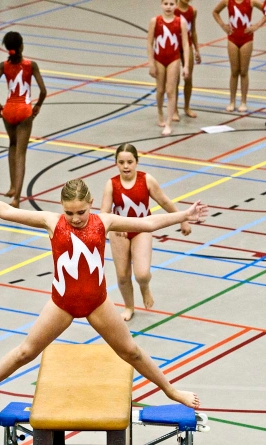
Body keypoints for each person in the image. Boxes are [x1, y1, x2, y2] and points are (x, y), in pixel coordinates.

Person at [0, 179, 208, 415]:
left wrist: (185, 214)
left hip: (97, 303)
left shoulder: (104, 221)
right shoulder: (52, 222)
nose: (75, 219)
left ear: (91, 204)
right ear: (61, 208)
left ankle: (171, 390)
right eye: (69, 212)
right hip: (62, 304)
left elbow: (148, 223)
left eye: (81, 212)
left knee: (132, 352)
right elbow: (8, 212)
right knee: (25, 352)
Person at [101, 143, 192, 322]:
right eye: (121, 162)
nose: (125, 166)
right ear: (116, 163)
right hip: (119, 230)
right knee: (122, 275)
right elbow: (104, 212)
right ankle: (129, 306)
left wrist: (183, 219)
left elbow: (164, 201)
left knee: (142, 273)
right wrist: (110, 228)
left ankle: (144, 286)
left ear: (137, 162)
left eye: (129, 162)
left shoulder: (147, 180)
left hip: (142, 228)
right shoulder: (112, 184)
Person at [0, 31, 47, 208]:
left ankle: (12, 185)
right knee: (21, 154)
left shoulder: (3, 66)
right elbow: (43, 91)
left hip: (8, 110)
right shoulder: (31, 65)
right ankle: (17, 199)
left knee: (12, 145)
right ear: (22, 46)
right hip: (23, 110)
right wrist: (38, 106)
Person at [213, 0, 266, 112]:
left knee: (243, 71)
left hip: (247, 38)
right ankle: (232, 101)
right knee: (234, 71)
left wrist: (256, 25)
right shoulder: (228, 1)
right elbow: (215, 12)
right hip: (232, 38)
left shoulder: (251, 1)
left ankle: (243, 101)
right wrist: (223, 25)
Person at [147, 0, 190, 135]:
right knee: (160, 90)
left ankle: (169, 123)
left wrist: (186, 66)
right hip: (159, 58)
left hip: (174, 59)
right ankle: (160, 112)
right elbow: (149, 43)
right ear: (161, 5)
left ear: (175, 6)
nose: (168, 7)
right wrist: (151, 63)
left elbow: (185, 44)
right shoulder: (155, 21)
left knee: (171, 91)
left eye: (171, 4)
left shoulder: (180, 22)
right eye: (165, 4)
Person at [174, 0, 201, 119]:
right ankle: (174, 109)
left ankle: (186, 106)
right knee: (174, 79)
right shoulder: (173, 9)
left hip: (187, 45)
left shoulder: (192, 11)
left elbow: (193, 31)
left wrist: (197, 50)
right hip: (174, 45)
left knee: (188, 77)